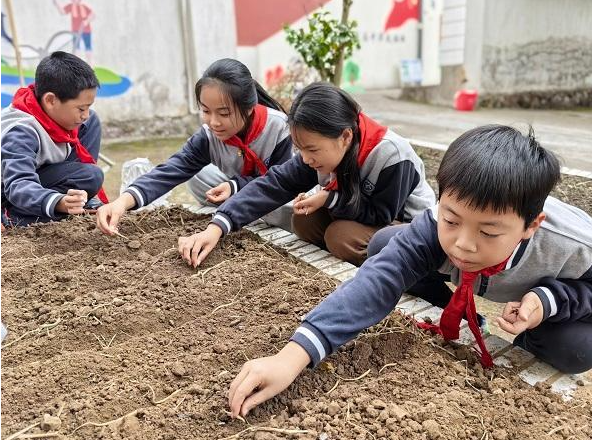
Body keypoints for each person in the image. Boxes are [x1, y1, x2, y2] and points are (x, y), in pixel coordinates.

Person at [227, 125, 592, 418]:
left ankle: (532, 333)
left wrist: (550, 301)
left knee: (575, 350)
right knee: (385, 246)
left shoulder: (573, 245)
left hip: (560, 293)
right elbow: (378, 280)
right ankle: (461, 309)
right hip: (489, 279)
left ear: (531, 225)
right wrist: (292, 357)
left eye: (488, 231)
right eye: (451, 219)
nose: (463, 243)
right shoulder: (437, 227)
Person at [179, 82, 435, 266]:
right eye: (299, 149)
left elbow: (381, 214)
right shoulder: (318, 149)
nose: (304, 159)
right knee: (304, 220)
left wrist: (329, 198)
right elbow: (274, 183)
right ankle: (343, 267)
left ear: (345, 136)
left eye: (311, 149)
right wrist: (217, 226)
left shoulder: (390, 155)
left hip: (406, 226)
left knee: (340, 237)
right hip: (362, 215)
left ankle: (394, 279)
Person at [95, 58, 292, 233]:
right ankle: (239, 210)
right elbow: (171, 170)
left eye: (224, 113)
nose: (213, 122)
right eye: (206, 111)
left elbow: (279, 182)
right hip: (243, 186)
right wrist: (121, 203)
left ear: (249, 109)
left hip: (280, 191)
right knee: (199, 176)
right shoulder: (209, 136)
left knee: (285, 208)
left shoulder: (278, 127)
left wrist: (234, 187)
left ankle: (243, 210)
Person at [1, 51, 106, 227]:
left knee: (91, 123)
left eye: (88, 107)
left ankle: (78, 201)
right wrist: (58, 202)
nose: (85, 115)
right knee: (90, 175)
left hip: (43, 176)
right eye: (80, 109)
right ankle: (13, 216)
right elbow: (18, 185)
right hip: (10, 192)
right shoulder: (20, 131)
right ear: (50, 100)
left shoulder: (80, 120)